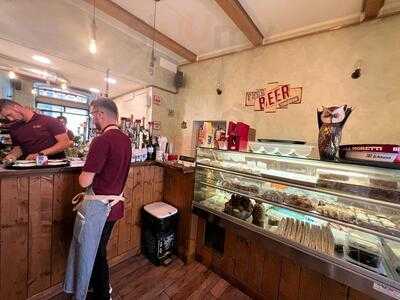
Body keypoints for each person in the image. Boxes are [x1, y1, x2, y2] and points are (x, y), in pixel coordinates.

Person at [64, 98, 131, 300]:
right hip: (115, 206)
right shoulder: (126, 139)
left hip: (99, 208)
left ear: (101, 114)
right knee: (98, 250)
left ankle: (102, 293)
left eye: (93, 114)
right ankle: (98, 288)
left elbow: (85, 182)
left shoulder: (102, 140)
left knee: (94, 252)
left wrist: (85, 169)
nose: (92, 118)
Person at [0, 99, 71, 160]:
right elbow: (18, 148)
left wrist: (41, 154)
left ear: (16, 108)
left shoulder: (49, 121)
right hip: (28, 168)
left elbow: (65, 143)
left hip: (54, 167)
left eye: (9, 115)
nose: (10, 119)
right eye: (6, 117)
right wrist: (13, 155)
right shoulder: (14, 127)